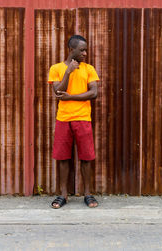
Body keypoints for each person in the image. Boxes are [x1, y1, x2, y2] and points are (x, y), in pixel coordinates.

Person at [48, 35, 99, 209]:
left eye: (86, 50)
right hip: (63, 118)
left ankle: (88, 194)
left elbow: (93, 93)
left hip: (83, 118)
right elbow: (58, 91)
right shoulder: (56, 68)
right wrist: (68, 71)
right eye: (82, 50)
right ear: (71, 49)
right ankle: (63, 194)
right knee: (63, 157)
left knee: (86, 157)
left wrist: (71, 97)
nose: (85, 53)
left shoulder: (89, 69)